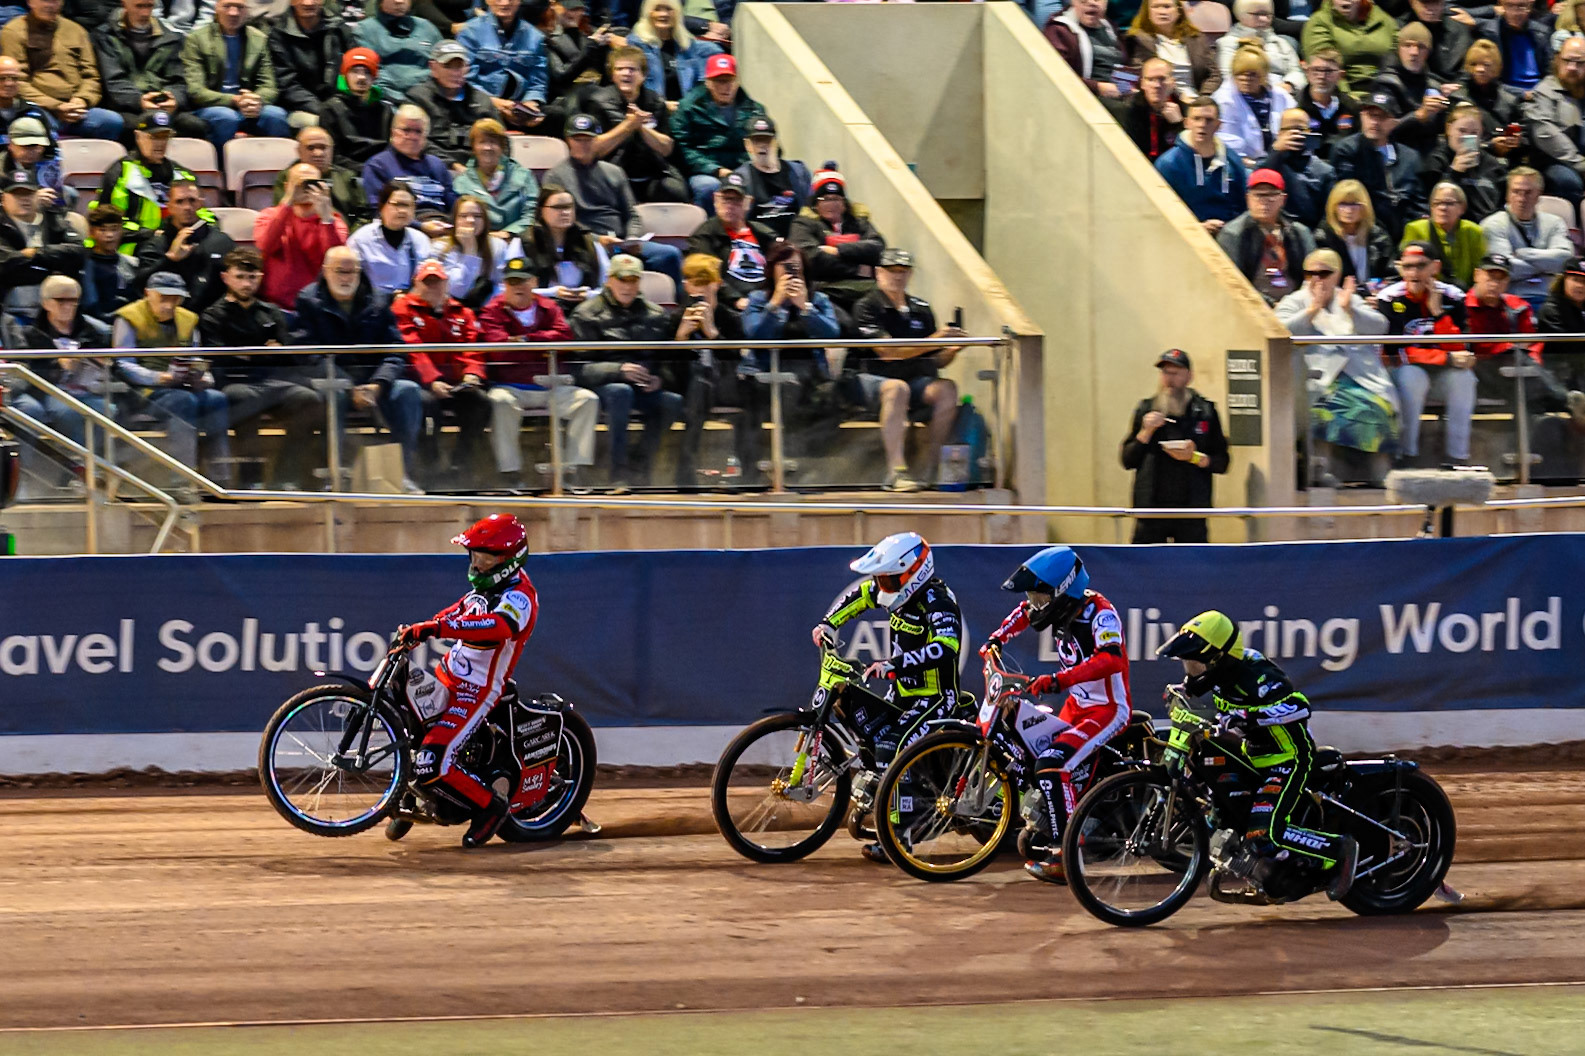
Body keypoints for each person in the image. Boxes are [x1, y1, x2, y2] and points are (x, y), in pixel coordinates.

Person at [1157, 611, 1358, 902]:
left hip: (1289, 759)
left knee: (1262, 834)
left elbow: (1300, 707)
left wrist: (1251, 717)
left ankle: (1338, 850)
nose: (1191, 671)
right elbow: (1193, 691)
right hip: (1252, 756)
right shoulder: (1220, 674)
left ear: (1218, 659)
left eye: (1195, 664)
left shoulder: (1257, 676)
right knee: (1222, 811)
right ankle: (1257, 866)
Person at [981, 546, 1131, 883]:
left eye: (1040, 597)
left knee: (1051, 764)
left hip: (1107, 710)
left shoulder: (1100, 613)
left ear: (1063, 591)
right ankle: (1055, 818)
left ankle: (1069, 856)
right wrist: (996, 639)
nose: (1035, 604)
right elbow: (1022, 613)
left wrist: (1058, 680)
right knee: (1029, 748)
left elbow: (1112, 659)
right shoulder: (1052, 609)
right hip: (1076, 705)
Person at [812, 531, 964, 859]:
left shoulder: (937, 601)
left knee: (892, 747)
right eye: (880, 579)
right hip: (902, 693)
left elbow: (947, 647)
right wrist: (828, 624)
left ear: (914, 572)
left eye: (889, 580)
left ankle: (900, 838)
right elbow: (858, 596)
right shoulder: (890, 590)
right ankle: (887, 799)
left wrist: (895, 664)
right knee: (870, 738)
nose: (882, 587)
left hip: (936, 699)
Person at [394, 513, 539, 848]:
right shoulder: (487, 587)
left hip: (477, 690)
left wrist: (439, 629)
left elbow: (499, 627)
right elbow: (461, 609)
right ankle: (408, 795)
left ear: (507, 559)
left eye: (484, 556)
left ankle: (491, 806)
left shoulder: (520, 596)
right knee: (409, 720)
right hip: (449, 674)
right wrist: (427, 626)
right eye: (473, 554)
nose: (476, 562)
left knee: (432, 761)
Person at [290, 246, 423, 492]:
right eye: (341, 271)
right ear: (325, 271)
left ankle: (402, 472)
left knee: (408, 391)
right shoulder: (308, 300)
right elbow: (307, 354)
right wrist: (349, 387)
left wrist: (378, 384)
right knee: (333, 395)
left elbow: (396, 350)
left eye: (353, 272)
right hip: (332, 379)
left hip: (374, 381)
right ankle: (333, 474)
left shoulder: (379, 301)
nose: (347, 278)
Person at [203, 246, 323, 490]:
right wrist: (262, 352)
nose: (246, 283)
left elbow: (286, 352)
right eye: (240, 277)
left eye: (252, 277)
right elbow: (219, 357)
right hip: (235, 381)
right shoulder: (212, 315)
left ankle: (285, 476)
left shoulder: (271, 311)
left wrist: (249, 353)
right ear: (226, 277)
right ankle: (251, 479)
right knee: (242, 398)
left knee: (310, 399)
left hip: (273, 381)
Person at [1275, 248, 1399, 483]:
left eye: (1325, 273)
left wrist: (1350, 309)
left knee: (1378, 406)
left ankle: (1379, 469)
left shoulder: (1349, 298)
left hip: (1358, 375)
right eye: (1312, 273)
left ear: (1337, 274)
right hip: (1317, 376)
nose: (1318, 279)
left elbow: (1379, 328)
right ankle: (1320, 469)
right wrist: (1312, 310)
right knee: (1326, 407)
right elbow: (1283, 332)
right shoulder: (1293, 301)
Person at [848, 249, 967, 493]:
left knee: (946, 390)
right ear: (878, 272)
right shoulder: (867, 306)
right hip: (870, 379)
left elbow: (936, 360)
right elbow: (888, 352)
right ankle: (896, 471)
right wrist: (935, 339)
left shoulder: (921, 308)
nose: (897, 277)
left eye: (903, 272)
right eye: (891, 271)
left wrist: (952, 349)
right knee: (896, 388)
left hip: (915, 380)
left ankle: (930, 467)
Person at [480, 256, 598, 490]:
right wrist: (542, 347)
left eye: (523, 281)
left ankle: (573, 472)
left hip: (552, 385)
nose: (518, 287)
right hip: (511, 386)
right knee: (500, 402)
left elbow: (564, 337)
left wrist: (525, 340)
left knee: (587, 400)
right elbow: (498, 350)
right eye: (512, 282)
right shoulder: (492, 310)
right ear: (504, 284)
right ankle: (510, 474)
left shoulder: (549, 307)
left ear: (534, 281)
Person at [568, 253, 683, 490]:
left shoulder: (655, 314)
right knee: (620, 392)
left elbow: (666, 359)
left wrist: (659, 379)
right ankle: (616, 473)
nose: (628, 286)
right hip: (602, 385)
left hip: (641, 385)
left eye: (633, 280)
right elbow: (578, 368)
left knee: (672, 402)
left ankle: (640, 461)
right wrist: (618, 370)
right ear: (609, 280)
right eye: (622, 280)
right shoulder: (586, 313)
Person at [111, 271, 233, 482]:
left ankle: (219, 478)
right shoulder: (128, 317)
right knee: (183, 401)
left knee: (216, 399)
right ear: (148, 293)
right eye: (163, 297)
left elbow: (197, 357)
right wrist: (159, 377)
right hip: (144, 392)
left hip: (182, 386)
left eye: (174, 298)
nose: (168, 304)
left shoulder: (188, 319)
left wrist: (203, 378)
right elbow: (123, 363)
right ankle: (181, 481)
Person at [546, 113, 683, 284]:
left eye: (588, 139)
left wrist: (632, 238)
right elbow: (561, 222)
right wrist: (596, 240)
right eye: (577, 139)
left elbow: (632, 214)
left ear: (597, 140)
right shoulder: (555, 176)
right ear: (568, 140)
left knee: (670, 255)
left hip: (622, 242)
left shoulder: (614, 171)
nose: (583, 144)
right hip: (585, 244)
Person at [742, 242, 838, 473]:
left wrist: (805, 308)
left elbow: (832, 334)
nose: (791, 273)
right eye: (786, 267)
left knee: (814, 393)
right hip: (763, 374)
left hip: (808, 375)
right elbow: (753, 335)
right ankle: (758, 468)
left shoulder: (818, 300)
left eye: (796, 267)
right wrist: (774, 304)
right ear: (773, 269)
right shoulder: (758, 298)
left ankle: (796, 465)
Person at [1375, 240, 1473, 464]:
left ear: (1435, 267)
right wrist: (1445, 358)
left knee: (1465, 378)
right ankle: (1406, 455)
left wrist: (1438, 313)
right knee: (1413, 377)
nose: (1413, 272)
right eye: (1407, 267)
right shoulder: (1389, 298)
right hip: (1403, 373)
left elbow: (1463, 349)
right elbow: (1393, 352)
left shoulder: (1454, 297)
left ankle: (1458, 457)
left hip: (1442, 373)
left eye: (1420, 266)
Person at [2, 275, 111, 473]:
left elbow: (112, 362)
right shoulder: (31, 334)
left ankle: (94, 468)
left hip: (87, 389)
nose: (68, 306)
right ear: (45, 303)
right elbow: (32, 371)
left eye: (73, 300)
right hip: (50, 391)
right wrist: (59, 366)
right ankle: (76, 469)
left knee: (108, 409)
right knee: (61, 411)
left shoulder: (92, 331)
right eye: (61, 300)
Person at [1119, 348, 1229, 543]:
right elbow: (1127, 460)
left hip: (1191, 511)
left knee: (1192, 568)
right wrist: (1145, 432)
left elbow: (1222, 462)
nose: (1169, 378)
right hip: (1151, 511)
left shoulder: (1205, 411)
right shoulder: (1146, 409)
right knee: (1144, 567)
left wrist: (1193, 457)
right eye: (1165, 372)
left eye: (1175, 372)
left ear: (1189, 376)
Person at [393, 257, 489, 480]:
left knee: (481, 404)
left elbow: (473, 346)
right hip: (420, 382)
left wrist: (472, 374)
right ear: (416, 283)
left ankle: (460, 463)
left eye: (438, 282)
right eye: (428, 282)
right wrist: (432, 380)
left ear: (447, 284)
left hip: (457, 382)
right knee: (427, 406)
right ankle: (430, 466)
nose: (433, 287)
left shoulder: (462, 312)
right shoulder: (402, 309)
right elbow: (412, 349)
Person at [1461, 253, 1581, 425]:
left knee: (1526, 387)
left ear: (1507, 282)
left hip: (1520, 370)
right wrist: (1509, 347)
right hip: (1481, 371)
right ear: (1477, 275)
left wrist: (1530, 357)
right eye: (1490, 277)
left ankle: (1521, 447)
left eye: (1500, 279)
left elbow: (1532, 342)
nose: (1494, 284)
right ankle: (1566, 401)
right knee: (1525, 380)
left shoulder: (1517, 306)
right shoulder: (1463, 306)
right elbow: (1477, 346)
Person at [671, 250, 753, 488]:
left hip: (726, 384)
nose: (701, 290)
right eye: (695, 283)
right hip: (690, 388)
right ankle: (685, 475)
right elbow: (666, 367)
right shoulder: (678, 317)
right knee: (698, 387)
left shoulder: (729, 318)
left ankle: (747, 474)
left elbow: (736, 358)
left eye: (706, 283)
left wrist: (712, 333)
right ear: (686, 286)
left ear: (717, 284)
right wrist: (680, 339)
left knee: (751, 394)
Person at [0, 0, 124, 141]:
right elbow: (18, 81)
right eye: (44, 1)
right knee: (39, 126)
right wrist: (56, 106)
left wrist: (81, 100)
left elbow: (91, 76)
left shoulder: (76, 30)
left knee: (112, 121)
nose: (50, 5)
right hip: (39, 108)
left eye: (55, 1)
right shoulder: (13, 31)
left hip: (77, 108)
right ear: (30, 2)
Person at [181, 0, 291, 151]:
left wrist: (256, 99)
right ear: (216, 9)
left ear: (247, 11)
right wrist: (235, 100)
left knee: (276, 115)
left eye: (240, 7)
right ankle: (222, 169)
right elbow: (196, 91)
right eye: (227, 7)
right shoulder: (196, 39)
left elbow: (269, 86)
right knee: (226, 117)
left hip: (249, 104)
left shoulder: (258, 39)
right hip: (213, 105)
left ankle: (280, 171)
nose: (233, 13)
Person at [584, 45, 687, 205]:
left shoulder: (655, 102)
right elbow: (594, 149)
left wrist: (640, 126)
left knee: (675, 191)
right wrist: (628, 126)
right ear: (612, 75)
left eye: (632, 69)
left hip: (653, 174)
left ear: (644, 75)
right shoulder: (598, 102)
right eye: (620, 69)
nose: (626, 73)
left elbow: (666, 148)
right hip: (614, 174)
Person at [93, 0, 209, 141]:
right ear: (124, 4)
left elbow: (179, 80)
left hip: (164, 105)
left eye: (149, 6)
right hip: (128, 108)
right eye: (139, 6)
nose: (145, 13)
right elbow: (114, 81)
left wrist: (173, 99)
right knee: (132, 126)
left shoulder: (171, 38)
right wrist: (139, 101)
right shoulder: (105, 37)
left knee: (193, 126)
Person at [671, 53, 768, 210]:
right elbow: (683, 148)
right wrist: (716, 170)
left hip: (744, 168)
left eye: (729, 81)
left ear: (737, 82)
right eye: (719, 81)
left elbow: (766, 142)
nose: (725, 87)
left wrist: (746, 168)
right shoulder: (689, 107)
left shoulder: (754, 109)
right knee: (708, 187)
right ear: (708, 83)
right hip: (706, 171)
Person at [787, 165, 885, 318]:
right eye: (825, 199)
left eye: (836, 199)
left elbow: (877, 247)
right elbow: (810, 257)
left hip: (866, 289)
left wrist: (838, 250)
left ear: (845, 203)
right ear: (815, 204)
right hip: (826, 290)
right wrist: (857, 269)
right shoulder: (803, 224)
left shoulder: (859, 222)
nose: (832, 204)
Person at [132, 173, 234, 314]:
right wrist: (170, 259)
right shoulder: (155, 244)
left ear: (200, 203)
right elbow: (138, 287)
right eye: (180, 202)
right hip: (170, 321)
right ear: (169, 206)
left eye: (192, 201)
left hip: (216, 321)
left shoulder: (221, 242)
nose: (187, 207)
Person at [1330, 89, 1424, 240]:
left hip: (1405, 229)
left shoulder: (1409, 156)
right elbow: (1348, 195)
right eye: (1370, 115)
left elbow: (1419, 202)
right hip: (1365, 230)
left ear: (1394, 121)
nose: (1375, 122)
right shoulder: (1347, 150)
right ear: (1361, 116)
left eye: (1382, 117)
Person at [255, 162, 349, 308]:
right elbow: (266, 245)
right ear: (287, 186)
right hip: (274, 306)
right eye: (299, 183)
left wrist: (325, 217)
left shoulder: (333, 221)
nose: (306, 188)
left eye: (312, 183)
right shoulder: (269, 215)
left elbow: (333, 259)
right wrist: (288, 201)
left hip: (317, 306)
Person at [1217, 168, 1316, 303]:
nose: (1264, 201)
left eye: (1271, 195)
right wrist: (1269, 305)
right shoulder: (1233, 234)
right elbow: (1234, 282)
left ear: (1283, 199)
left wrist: (1296, 304)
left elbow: (1314, 274)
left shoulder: (1299, 232)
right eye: (1258, 195)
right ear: (1248, 199)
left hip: (1297, 306)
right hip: (1253, 307)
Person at [0, 169, 84, 327]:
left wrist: (35, 253)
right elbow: (4, 264)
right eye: (17, 194)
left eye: (29, 193)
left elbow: (78, 253)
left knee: (105, 333)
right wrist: (51, 267)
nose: (24, 199)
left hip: (59, 315)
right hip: (11, 314)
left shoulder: (55, 220)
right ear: (4, 198)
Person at [90, 110, 194, 236]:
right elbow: (105, 225)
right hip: (134, 247)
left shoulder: (182, 173)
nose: (160, 143)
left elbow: (201, 213)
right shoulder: (120, 173)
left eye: (164, 137)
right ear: (138, 136)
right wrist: (150, 234)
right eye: (154, 137)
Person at [1480, 167, 1574, 305]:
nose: (1521, 198)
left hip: (1552, 300)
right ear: (1507, 194)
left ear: (1539, 195)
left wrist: (1523, 254)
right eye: (1516, 192)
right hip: (1511, 300)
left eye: (1528, 193)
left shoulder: (1555, 222)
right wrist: (1548, 264)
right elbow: (1505, 271)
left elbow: (1565, 261)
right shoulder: (1493, 224)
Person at [1156, 96, 1249, 233]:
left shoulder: (1232, 160)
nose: (1202, 124)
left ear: (1219, 125)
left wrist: (1231, 228)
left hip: (1229, 236)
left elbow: (1243, 205)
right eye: (1197, 119)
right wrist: (1197, 228)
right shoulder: (1168, 164)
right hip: (1186, 236)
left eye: (1209, 120)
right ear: (1187, 123)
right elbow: (1160, 211)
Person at [685, 172, 775, 311]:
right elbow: (706, 275)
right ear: (716, 200)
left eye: (736, 200)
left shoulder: (765, 233)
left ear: (748, 203)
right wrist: (736, 300)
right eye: (726, 199)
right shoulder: (703, 236)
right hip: (726, 305)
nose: (730, 206)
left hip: (766, 299)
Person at [516, 183, 608, 318]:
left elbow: (609, 287)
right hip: (538, 313)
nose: (565, 212)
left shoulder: (589, 242)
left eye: (569, 207)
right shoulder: (524, 242)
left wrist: (588, 294)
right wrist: (552, 293)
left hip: (585, 313)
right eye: (558, 207)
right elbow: (512, 289)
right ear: (541, 210)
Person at [455, 0, 549, 129]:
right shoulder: (470, 32)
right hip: (482, 104)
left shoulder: (535, 37)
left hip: (519, 106)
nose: (505, 3)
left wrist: (531, 103)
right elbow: (465, 79)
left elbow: (538, 81)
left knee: (555, 115)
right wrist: (494, 103)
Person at [267, 0, 356, 128]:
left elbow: (355, 65)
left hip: (339, 104)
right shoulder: (279, 33)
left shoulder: (338, 27)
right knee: (333, 126)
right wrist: (325, 110)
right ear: (291, 2)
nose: (308, 3)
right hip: (300, 108)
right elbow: (287, 84)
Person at [1372, 21, 1452, 158]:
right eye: (1407, 45)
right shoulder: (1386, 83)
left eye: (1421, 47)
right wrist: (1418, 116)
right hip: (1394, 155)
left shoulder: (1434, 85)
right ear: (1398, 49)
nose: (1414, 52)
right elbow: (1381, 129)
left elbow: (1441, 128)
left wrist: (1451, 106)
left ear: (1428, 52)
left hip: (1430, 157)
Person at [361, 104, 454, 216]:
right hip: (403, 226)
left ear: (426, 136)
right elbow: (379, 210)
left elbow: (453, 205)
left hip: (442, 222)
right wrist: (421, 226)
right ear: (393, 132)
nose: (412, 136)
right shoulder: (377, 165)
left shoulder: (437, 164)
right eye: (406, 130)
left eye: (418, 131)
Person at [1214, 42, 1297, 168]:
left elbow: (1297, 122)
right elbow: (1228, 149)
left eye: (1252, 74)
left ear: (1264, 75)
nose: (1245, 78)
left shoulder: (1280, 95)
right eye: (1239, 73)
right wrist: (1261, 164)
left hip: (1283, 160)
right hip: (1243, 166)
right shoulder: (1223, 101)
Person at [452, 118, 538, 241]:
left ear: (502, 146)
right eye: (482, 142)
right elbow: (460, 219)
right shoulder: (461, 182)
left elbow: (531, 214)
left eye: (493, 142)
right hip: (478, 242)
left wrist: (509, 233)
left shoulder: (523, 176)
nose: (488, 147)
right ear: (473, 147)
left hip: (517, 240)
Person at [1525, 39, 1585, 206]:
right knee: (1568, 181)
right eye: (1567, 61)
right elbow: (1546, 134)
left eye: (1580, 63)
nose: (1572, 67)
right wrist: (1580, 164)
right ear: (1558, 60)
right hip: (1555, 162)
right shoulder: (1544, 92)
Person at [1420, 102, 1504, 222]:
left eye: (1474, 133)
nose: (1467, 137)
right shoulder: (1436, 161)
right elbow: (1433, 202)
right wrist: (1454, 172)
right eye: (1462, 131)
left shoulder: (1491, 164)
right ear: (1449, 129)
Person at [628, 0, 721, 107]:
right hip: (652, 113)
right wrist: (663, 106)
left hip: (685, 112)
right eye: (657, 9)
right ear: (648, 13)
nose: (663, 14)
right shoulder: (636, 45)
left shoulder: (688, 45)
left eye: (669, 9)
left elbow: (700, 87)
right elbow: (635, 88)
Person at [732, 116, 811, 239]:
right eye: (757, 141)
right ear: (747, 145)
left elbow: (809, 211)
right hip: (760, 242)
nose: (762, 146)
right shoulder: (740, 179)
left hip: (796, 242)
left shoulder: (799, 172)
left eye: (767, 140)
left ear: (776, 143)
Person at [269, 126, 365, 226]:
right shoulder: (288, 177)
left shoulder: (346, 177)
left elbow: (362, 215)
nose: (318, 153)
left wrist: (351, 237)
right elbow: (279, 215)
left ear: (332, 150)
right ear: (299, 151)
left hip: (343, 237)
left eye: (323, 148)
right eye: (310, 148)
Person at [1126, 0, 1222, 101]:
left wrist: (1204, 98)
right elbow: (1136, 76)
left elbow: (1214, 75)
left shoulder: (1197, 38)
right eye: (1155, 7)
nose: (1162, 12)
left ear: (1178, 11)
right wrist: (1179, 97)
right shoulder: (1136, 40)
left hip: (1198, 100)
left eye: (1167, 7)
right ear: (1147, 12)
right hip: (1161, 100)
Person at [1258, 107, 1336, 228]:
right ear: (1280, 133)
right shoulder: (1268, 165)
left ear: (1309, 132)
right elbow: (1259, 182)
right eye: (1289, 129)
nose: (1295, 134)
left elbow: (1329, 215)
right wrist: (1275, 151)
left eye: (1300, 129)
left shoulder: (1325, 171)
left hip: (1309, 232)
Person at [1301, 0, 1398, 94]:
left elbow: (1398, 54)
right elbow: (1324, 68)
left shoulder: (1383, 20)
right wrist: (1347, 97)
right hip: (1343, 92)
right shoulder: (1320, 21)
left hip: (1383, 91)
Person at [1403, 180, 1487, 287]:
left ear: (1462, 208)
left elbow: (1480, 269)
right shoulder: (1415, 229)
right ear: (1431, 208)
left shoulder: (1474, 231)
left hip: (1464, 294)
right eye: (1437, 203)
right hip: (1428, 291)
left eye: (1449, 203)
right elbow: (1409, 268)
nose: (1442, 208)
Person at [431, 194, 509, 308]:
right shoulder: (440, 248)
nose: (471, 220)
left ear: (485, 221)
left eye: (477, 216)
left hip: (488, 310)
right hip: (451, 311)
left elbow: (503, 287)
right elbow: (457, 290)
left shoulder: (498, 246)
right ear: (455, 220)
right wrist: (470, 250)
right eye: (463, 216)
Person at [320, 47, 393, 167]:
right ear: (345, 75)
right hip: (346, 174)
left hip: (381, 172)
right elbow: (333, 156)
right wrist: (365, 170)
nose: (362, 77)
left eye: (367, 72)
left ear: (374, 77)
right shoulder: (330, 109)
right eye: (355, 71)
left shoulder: (385, 110)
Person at [1313, 178, 1396, 284]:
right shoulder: (1323, 237)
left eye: (1354, 204)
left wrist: (1379, 290)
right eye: (1342, 204)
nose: (1349, 210)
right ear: (1333, 207)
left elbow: (1391, 276)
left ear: (1365, 207)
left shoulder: (1379, 236)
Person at [355, 0, 443, 99]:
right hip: (388, 100)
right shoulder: (365, 30)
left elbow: (443, 67)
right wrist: (403, 101)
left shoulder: (427, 27)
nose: (399, 1)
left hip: (429, 96)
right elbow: (369, 74)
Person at [1106, 57, 1185, 163]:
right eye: (1150, 79)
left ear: (1172, 82)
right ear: (1142, 83)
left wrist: (1179, 125)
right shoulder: (1129, 110)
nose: (1156, 85)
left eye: (1162, 79)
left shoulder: (1184, 110)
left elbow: (1191, 157)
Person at [1045, 0, 1128, 99]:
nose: (1091, 2)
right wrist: (1097, 87)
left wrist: (1130, 87)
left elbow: (1123, 68)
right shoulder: (1059, 31)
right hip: (1088, 98)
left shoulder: (1110, 28)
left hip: (1119, 96)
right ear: (1073, 2)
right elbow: (1058, 75)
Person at [1537, 258, 1585, 424]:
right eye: (1575, 280)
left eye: (1584, 282)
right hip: (1559, 380)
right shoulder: (1552, 310)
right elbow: (1568, 346)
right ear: (1563, 280)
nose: (1580, 286)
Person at [1216, 0, 1303, 92]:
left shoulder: (1281, 43)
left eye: (1268, 15)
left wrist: (1289, 85)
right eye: (1257, 14)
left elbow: (1297, 71)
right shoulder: (1227, 43)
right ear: (1240, 15)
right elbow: (1227, 76)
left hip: (1283, 93)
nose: (1264, 19)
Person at [1451, 38, 1525, 143]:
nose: (1479, 69)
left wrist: (1515, 142)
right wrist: (1490, 146)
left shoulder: (1510, 102)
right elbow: (1453, 139)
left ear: (1497, 68)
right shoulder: (1456, 98)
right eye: (1474, 64)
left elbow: (1524, 138)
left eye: (1486, 65)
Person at [79, 205, 143, 322]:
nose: (109, 235)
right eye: (102, 230)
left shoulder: (132, 263)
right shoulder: (82, 263)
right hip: (91, 325)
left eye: (114, 229)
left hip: (127, 323)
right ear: (91, 232)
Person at [1295, 49, 1359, 159]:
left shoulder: (1351, 106)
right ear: (1307, 72)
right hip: (1306, 167)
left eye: (1328, 71)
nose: (1322, 76)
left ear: (1340, 75)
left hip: (1344, 164)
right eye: (1316, 70)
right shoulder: (1295, 107)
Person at [1477, 0, 1550, 93]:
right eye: (1510, 6)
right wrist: (1521, 94)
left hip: (1539, 92)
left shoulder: (1542, 32)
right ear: (1501, 6)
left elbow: (1550, 71)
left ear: (1530, 6)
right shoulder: (1490, 32)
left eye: (1521, 6)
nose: (1516, 13)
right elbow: (1489, 78)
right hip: (1504, 94)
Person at [1403, 0, 1476, 84]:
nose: (1430, 8)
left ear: (1443, 3)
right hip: (1413, 87)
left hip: (1454, 88)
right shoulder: (1400, 29)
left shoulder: (1459, 29)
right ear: (1412, 3)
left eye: (1435, 3)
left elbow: (1469, 66)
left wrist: (1458, 86)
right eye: (1425, 3)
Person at [6, 116, 68, 210]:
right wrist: (32, 198)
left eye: (36, 146)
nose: (31, 151)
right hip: (7, 218)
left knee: (70, 195)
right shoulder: (2, 166)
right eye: (25, 146)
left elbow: (58, 201)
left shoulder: (51, 165)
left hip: (47, 214)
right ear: (10, 145)